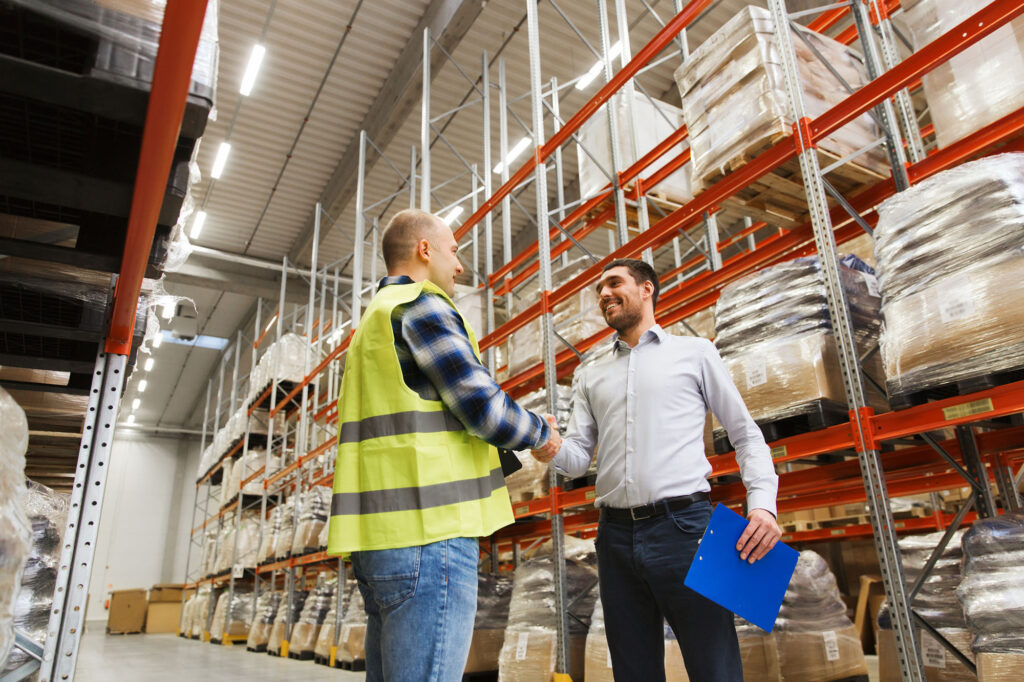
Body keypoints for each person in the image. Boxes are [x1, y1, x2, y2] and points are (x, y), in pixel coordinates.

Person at [327, 208, 561, 682]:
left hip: (380, 543)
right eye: (454, 251)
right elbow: (483, 408)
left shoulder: (372, 323)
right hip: (429, 538)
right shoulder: (422, 305)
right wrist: (541, 434)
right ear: (424, 249)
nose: (459, 266)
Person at [531, 258, 780, 681]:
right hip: (614, 537)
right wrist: (548, 446)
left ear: (647, 289)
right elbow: (576, 459)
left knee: (713, 666)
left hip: (685, 528)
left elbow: (745, 434)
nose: (604, 294)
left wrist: (763, 506)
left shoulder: (695, 353)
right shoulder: (590, 374)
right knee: (633, 670)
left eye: (614, 283)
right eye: (599, 290)